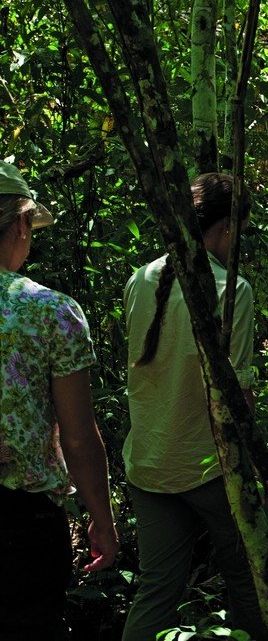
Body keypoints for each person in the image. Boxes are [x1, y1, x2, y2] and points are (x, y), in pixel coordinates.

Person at [121, 173, 267, 641]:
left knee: (157, 590)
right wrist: (254, 466)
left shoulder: (140, 279)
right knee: (248, 580)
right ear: (226, 226)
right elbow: (238, 394)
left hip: (150, 463)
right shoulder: (232, 290)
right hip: (210, 467)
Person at [0, 161, 119, 640]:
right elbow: (77, 436)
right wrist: (102, 521)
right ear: (21, 223)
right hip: (19, 525)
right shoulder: (49, 310)